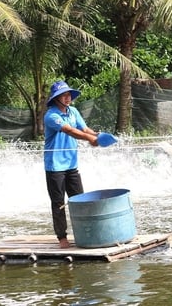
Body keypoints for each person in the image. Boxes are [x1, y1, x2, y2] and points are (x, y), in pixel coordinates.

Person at [43, 81, 99, 248]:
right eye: (64, 95)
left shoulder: (73, 111)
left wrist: (98, 135)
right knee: (58, 203)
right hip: (55, 166)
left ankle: (85, 233)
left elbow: (84, 128)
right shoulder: (51, 116)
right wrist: (90, 139)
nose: (68, 98)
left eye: (69, 95)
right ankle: (62, 238)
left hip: (71, 164)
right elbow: (70, 131)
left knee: (80, 200)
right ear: (56, 99)